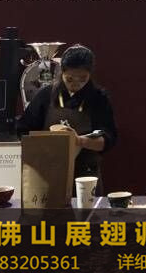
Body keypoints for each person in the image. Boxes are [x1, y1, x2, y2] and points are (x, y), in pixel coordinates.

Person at [16, 45, 117, 194]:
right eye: (70, 79)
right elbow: (23, 130)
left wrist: (78, 140)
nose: (76, 83)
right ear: (62, 72)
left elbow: (109, 139)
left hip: (86, 174)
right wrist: (48, 143)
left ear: (90, 74)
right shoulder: (45, 95)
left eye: (83, 78)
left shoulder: (99, 99)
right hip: (48, 172)